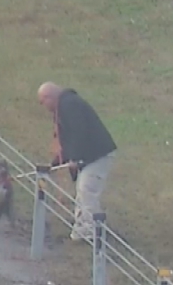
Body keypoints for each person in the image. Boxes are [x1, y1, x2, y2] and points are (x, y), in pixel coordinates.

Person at [37, 82, 118, 241]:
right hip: (90, 156)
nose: (43, 106)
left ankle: (91, 231)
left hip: (97, 155)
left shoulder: (69, 105)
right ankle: (83, 228)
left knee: (87, 190)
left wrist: (75, 158)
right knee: (83, 192)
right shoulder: (65, 106)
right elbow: (68, 141)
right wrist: (54, 164)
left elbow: (79, 133)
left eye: (42, 102)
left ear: (49, 97)